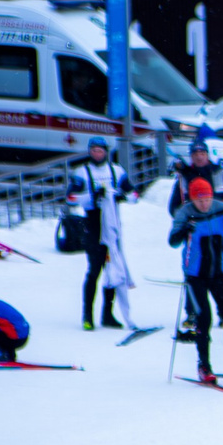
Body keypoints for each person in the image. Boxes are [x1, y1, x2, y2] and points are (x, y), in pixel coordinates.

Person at [169, 177, 223, 380]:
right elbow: (173, 241)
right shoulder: (185, 213)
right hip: (196, 275)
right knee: (203, 319)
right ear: (193, 199)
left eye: (207, 199)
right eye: (200, 200)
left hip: (220, 272)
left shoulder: (221, 209)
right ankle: (204, 366)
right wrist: (184, 230)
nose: (204, 204)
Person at [67, 137, 134, 331]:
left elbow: (134, 194)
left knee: (113, 271)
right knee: (94, 271)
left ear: (106, 151)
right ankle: (87, 315)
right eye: (94, 150)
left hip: (112, 227)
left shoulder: (117, 170)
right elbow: (70, 198)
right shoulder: (82, 172)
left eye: (100, 150)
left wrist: (122, 196)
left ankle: (108, 314)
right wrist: (91, 196)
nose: (97, 154)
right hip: (93, 226)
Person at [165, 130, 223, 214]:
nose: (199, 157)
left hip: (219, 221)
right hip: (194, 223)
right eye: (195, 154)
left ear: (208, 155)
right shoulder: (183, 179)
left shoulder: (222, 175)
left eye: (202, 154)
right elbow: (174, 208)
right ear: (191, 157)